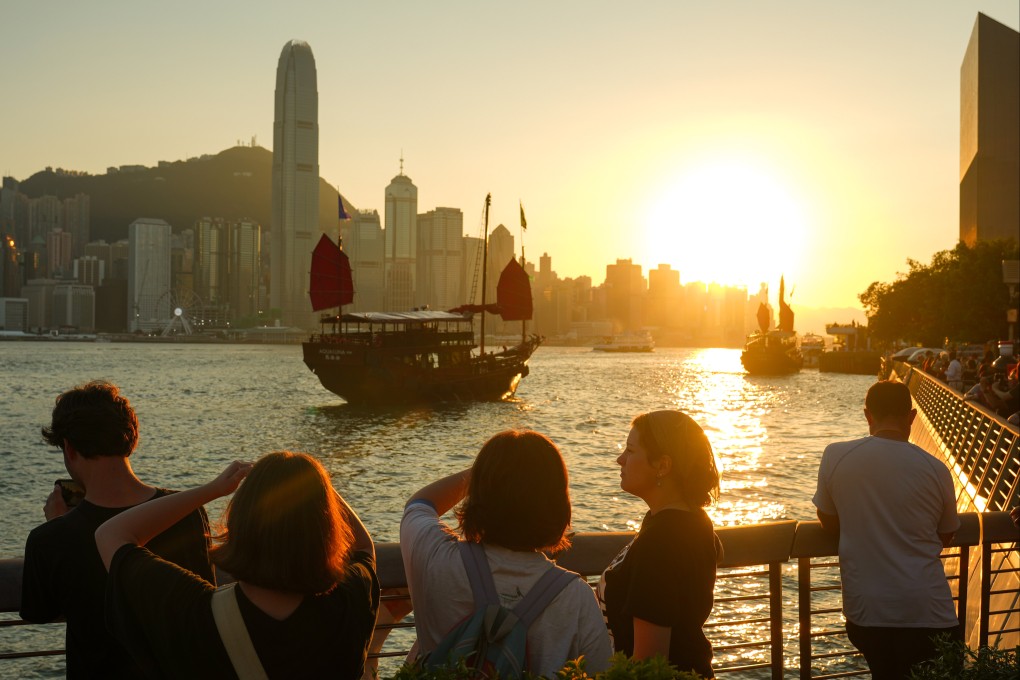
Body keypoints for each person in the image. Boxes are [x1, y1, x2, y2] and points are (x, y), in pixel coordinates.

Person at [96, 452, 380, 679]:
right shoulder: (348, 601)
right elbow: (363, 548)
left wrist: (212, 490)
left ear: (240, 523)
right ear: (326, 529)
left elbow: (111, 534)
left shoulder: (195, 612)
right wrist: (314, 485)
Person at [20, 380, 213, 678]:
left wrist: (58, 525)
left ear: (69, 449)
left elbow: (39, 611)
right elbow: (204, 598)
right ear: (131, 438)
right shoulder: (187, 513)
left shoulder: (50, 539)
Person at [400, 430, 612, 677]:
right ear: (558, 503)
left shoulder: (436, 556)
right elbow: (602, 673)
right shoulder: (576, 597)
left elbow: (420, 504)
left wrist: (486, 470)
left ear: (478, 493)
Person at [813, 380, 961, 680]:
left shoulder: (836, 456)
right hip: (928, 611)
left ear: (868, 415)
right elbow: (944, 535)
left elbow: (828, 519)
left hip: (867, 612)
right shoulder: (936, 469)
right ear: (911, 417)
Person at [597, 410, 722, 678]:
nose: (620, 459)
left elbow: (649, 665)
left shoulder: (661, 542)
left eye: (630, 450)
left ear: (663, 466)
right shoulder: (690, 521)